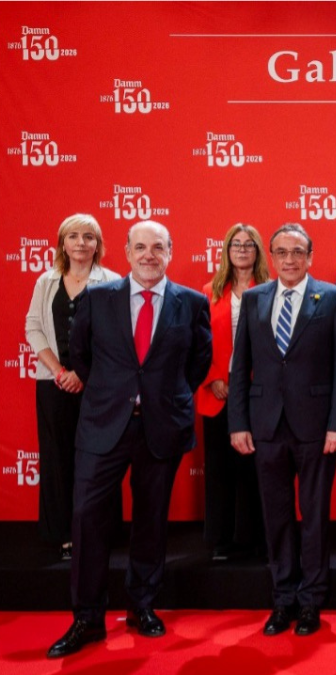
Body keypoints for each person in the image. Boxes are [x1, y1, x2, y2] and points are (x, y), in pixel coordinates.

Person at [48, 220, 212, 658]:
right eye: (140, 247)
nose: (148, 255)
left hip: (161, 425)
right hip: (103, 424)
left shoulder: (193, 303)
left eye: (157, 247)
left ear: (171, 251)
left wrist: (160, 397)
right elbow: (79, 355)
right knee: (86, 517)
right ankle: (87, 617)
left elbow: (198, 363)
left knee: (151, 519)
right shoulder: (97, 299)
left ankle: (143, 605)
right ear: (125, 251)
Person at [228, 223, 336, 637]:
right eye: (281, 252)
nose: (289, 259)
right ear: (271, 256)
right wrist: (238, 423)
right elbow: (240, 366)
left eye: (297, 251)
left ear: (310, 256)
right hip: (265, 425)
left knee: (314, 516)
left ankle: (311, 599)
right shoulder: (253, 299)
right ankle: (282, 598)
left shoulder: (334, 298)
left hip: (317, 427)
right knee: (277, 516)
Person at [25, 214, 121, 561]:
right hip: (53, 385)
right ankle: (63, 535)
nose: (81, 243)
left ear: (98, 244)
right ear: (62, 243)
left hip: (97, 386)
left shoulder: (112, 282)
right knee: (58, 458)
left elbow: (115, 338)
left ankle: (99, 532)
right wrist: (58, 370)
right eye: (74, 237)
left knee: (100, 460)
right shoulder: (46, 281)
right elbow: (33, 326)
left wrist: (82, 374)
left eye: (89, 237)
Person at [198, 224, 269, 561]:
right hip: (218, 392)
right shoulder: (207, 293)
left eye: (248, 244)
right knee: (220, 468)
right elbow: (198, 345)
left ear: (257, 251)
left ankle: (253, 538)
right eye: (235, 244)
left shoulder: (271, 290)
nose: (242, 249)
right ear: (226, 250)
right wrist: (212, 378)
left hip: (258, 392)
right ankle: (221, 540)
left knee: (254, 467)